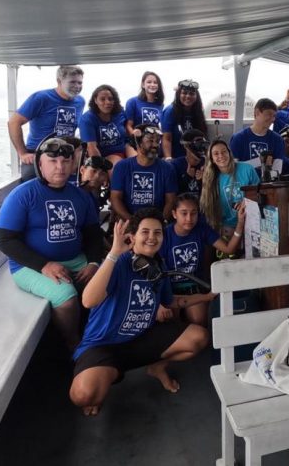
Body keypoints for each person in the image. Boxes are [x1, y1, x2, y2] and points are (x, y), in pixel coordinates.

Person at [69, 208, 213, 416]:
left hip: (141, 338)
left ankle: (157, 367)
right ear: (132, 237)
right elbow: (88, 300)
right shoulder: (117, 264)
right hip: (104, 345)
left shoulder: (157, 268)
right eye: (145, 232)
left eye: (157, 233)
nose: (152, 238)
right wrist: (113, 255)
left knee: (198, 338)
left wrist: (207, 297)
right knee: (84, 395)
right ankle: (101, 381)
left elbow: (172, 301)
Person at [0, 137, 102, 350]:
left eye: (66, 161)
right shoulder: (23, 195)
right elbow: (4, 240)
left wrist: (93, 263)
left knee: (107, 283)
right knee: (67, 298)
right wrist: (44, 265)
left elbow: (93, 234)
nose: (60, 167)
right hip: (30, 266)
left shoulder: (81, 196)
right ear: (39, 164)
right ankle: (72, 342)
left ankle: (99, 335)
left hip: (75, 260)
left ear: (74, 164)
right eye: (53, 161)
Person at [159, 194, 246, 326]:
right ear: (174, 214)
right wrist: (160, 302)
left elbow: (228, 249)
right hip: (170, 290)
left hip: (195, 287)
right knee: (170, 323)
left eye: (193, 213)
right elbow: (157, 272)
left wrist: (240, 223)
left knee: (199, 321)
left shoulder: (201, 228)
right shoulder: (164, 235)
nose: (189, 218)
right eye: (184, 213)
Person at [8, 65, 85, 181]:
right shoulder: (41, 98)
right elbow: (13, 122)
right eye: (72, 82)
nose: (77, 86)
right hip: (38, 152)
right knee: (31, 184)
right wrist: (22, 153)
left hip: (65, 153)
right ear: (59, 81)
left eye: (80, 83)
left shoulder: (80, 101)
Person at [110, 125, 177, 221]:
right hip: (128, 222)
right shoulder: (122, 167)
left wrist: (159, 223)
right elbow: (115, 199)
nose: (155, 145)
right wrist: (132, 222)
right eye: (150, 140)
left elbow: (170, 201)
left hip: (157, 223)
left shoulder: (167, 168)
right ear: (138, 142)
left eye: (158, 141)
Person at [200, 139, 259, 236]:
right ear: (212, 159)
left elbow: (260, 192)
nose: (221, 156)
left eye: (224, 152)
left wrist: (247, 201)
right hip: (227, 227)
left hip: (251, 222)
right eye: (216, 153)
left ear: (229, 153)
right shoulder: (210, 178)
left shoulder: (247, 169)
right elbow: (209, 209)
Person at [229, 98, 285, 176]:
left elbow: (277, 171)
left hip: (266, 186)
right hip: (244, 185)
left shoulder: (278, 140)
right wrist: (259, 161)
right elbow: (232, 168)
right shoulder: (238, 138)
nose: (272, 119)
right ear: (257, 113)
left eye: (274, 116)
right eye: (269, 114)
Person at [79, 84, 127, 170]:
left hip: (123, 150)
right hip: (102, 155)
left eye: (110, 99)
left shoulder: (120, 113)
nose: (107, 102)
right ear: (95, 100)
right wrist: (102, 169)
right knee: (117, 168)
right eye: (102, 99)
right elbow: (91, 147)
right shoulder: (87, 119)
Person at [162, 79, 209, 159]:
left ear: (196, 96)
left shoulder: (198, 112)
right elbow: (166, 139)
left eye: (192, 94)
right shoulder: (170, 111)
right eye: (184, 93)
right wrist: (169, 159)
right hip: (176, 157)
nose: (188, 96)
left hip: (194, 158)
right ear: (178, 94)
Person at [124, 71, 165, 156]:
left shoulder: (160, 105)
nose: (152, 84)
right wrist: (135, 135)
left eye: (155, 82)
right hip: (135, 143)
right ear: (143, 85)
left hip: (154, 143)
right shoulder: (132, 102)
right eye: (149, 82)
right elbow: (128, 125)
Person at [171, 129, 208, 197]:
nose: (200, 148)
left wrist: (203, 180)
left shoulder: (208, 164)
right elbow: (173, 194)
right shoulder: (175, 165)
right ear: (185, 146)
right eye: (197, 144)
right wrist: (187, 177)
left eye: (202, 144)